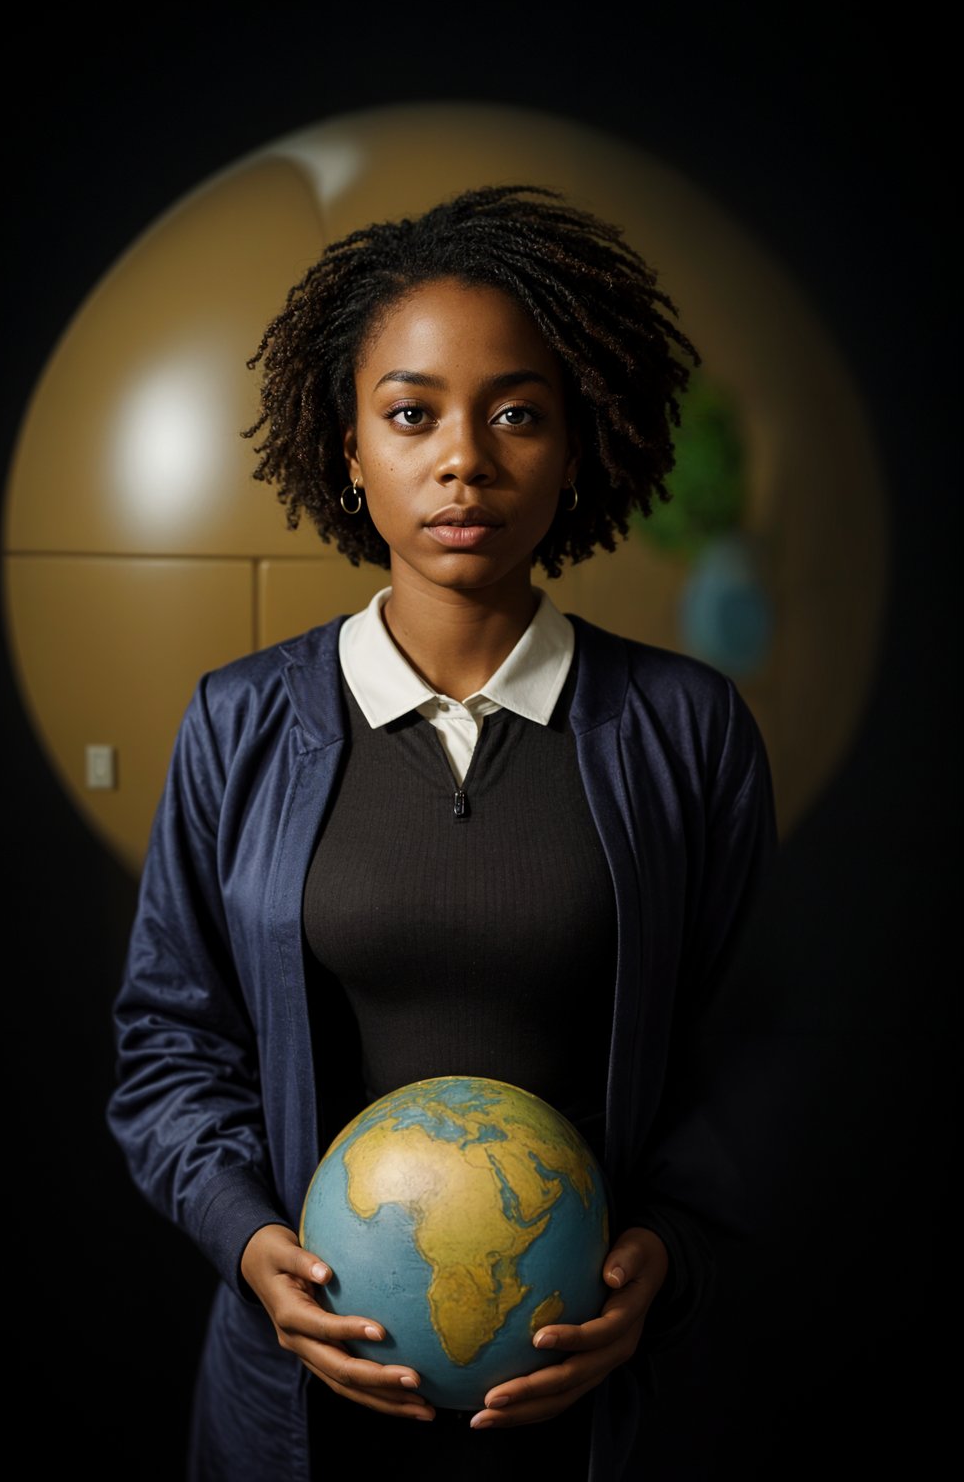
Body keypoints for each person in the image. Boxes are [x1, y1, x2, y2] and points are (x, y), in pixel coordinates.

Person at [107, 183, 777, 1481]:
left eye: (517, 412)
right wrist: (257, 1250)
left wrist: (663, 1260)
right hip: (295, 1409)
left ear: (581, 443)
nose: (463, 457)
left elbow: (749, 1048)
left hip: (594, 1401)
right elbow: (166, 1045)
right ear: (349, 449)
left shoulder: (686, 729)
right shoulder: (238, 722)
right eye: (411, 415)